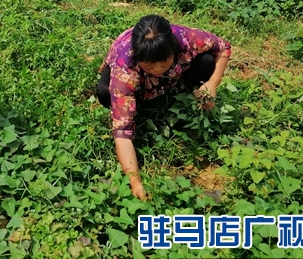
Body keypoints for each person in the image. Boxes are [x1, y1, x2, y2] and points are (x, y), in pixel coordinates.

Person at [95, 15, 231, 199]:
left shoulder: (185, 39)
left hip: (173, 74)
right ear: (138, 56)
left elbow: (223, 47)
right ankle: (138, 100)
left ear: (174, 49)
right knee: (105, 93)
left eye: (164, 62)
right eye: (150, 65)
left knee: (206, 61)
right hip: (131, 77)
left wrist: (212, 84)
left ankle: (188, 87)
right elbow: (123, 133)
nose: (158, 68)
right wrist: (135, 181)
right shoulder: (125, 70)